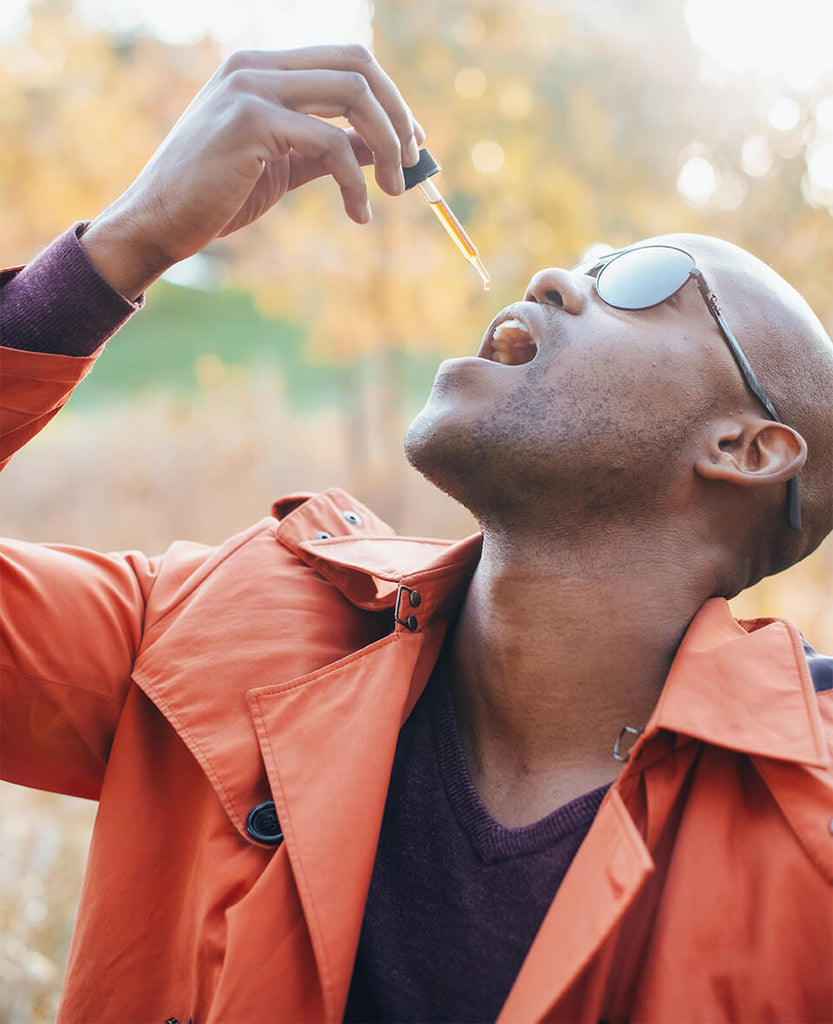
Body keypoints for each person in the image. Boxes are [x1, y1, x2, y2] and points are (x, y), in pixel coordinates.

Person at [1, 45, 832, 1024]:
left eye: (645, 279)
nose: (559, 277)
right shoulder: (206, 628)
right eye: (586, 259)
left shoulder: (807, 829)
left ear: (745, 447)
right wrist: (121, 249)